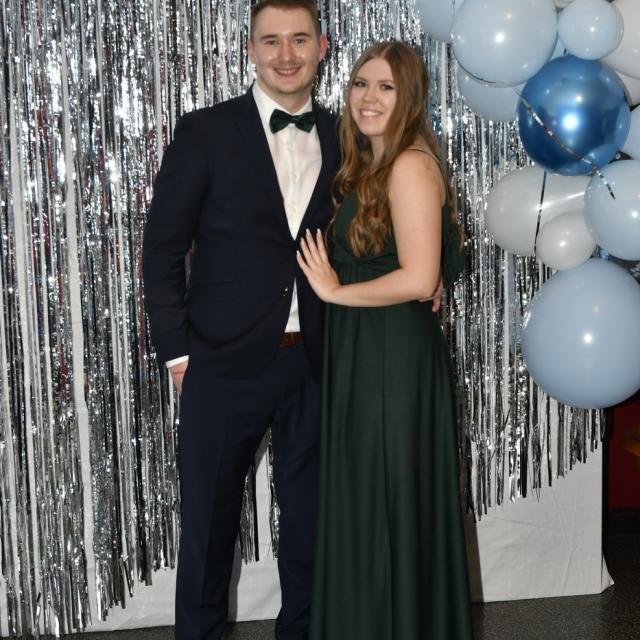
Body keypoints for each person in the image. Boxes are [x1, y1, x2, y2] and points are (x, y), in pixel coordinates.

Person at [142, 1, 339, 638]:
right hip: (221, 363)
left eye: (299, 39)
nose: (286, 55)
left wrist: (432, 273)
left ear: (322, 47)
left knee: (312, 524)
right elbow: (162, 250)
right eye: (271, 40)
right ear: (250, 49)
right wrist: (179, 354)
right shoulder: (205, 131)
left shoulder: (346, 135)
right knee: (209, 526)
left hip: (319, 359)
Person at [297, 41, 473, 639]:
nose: (368, 98)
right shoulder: (373, 165)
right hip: (367, 352)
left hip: (389, 362)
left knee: (384, 508)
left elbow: (419, 278)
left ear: (410, 99)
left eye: (386, 87)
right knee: (371, 507)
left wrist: (334, 291)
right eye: (360, 84)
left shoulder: (410, 165)